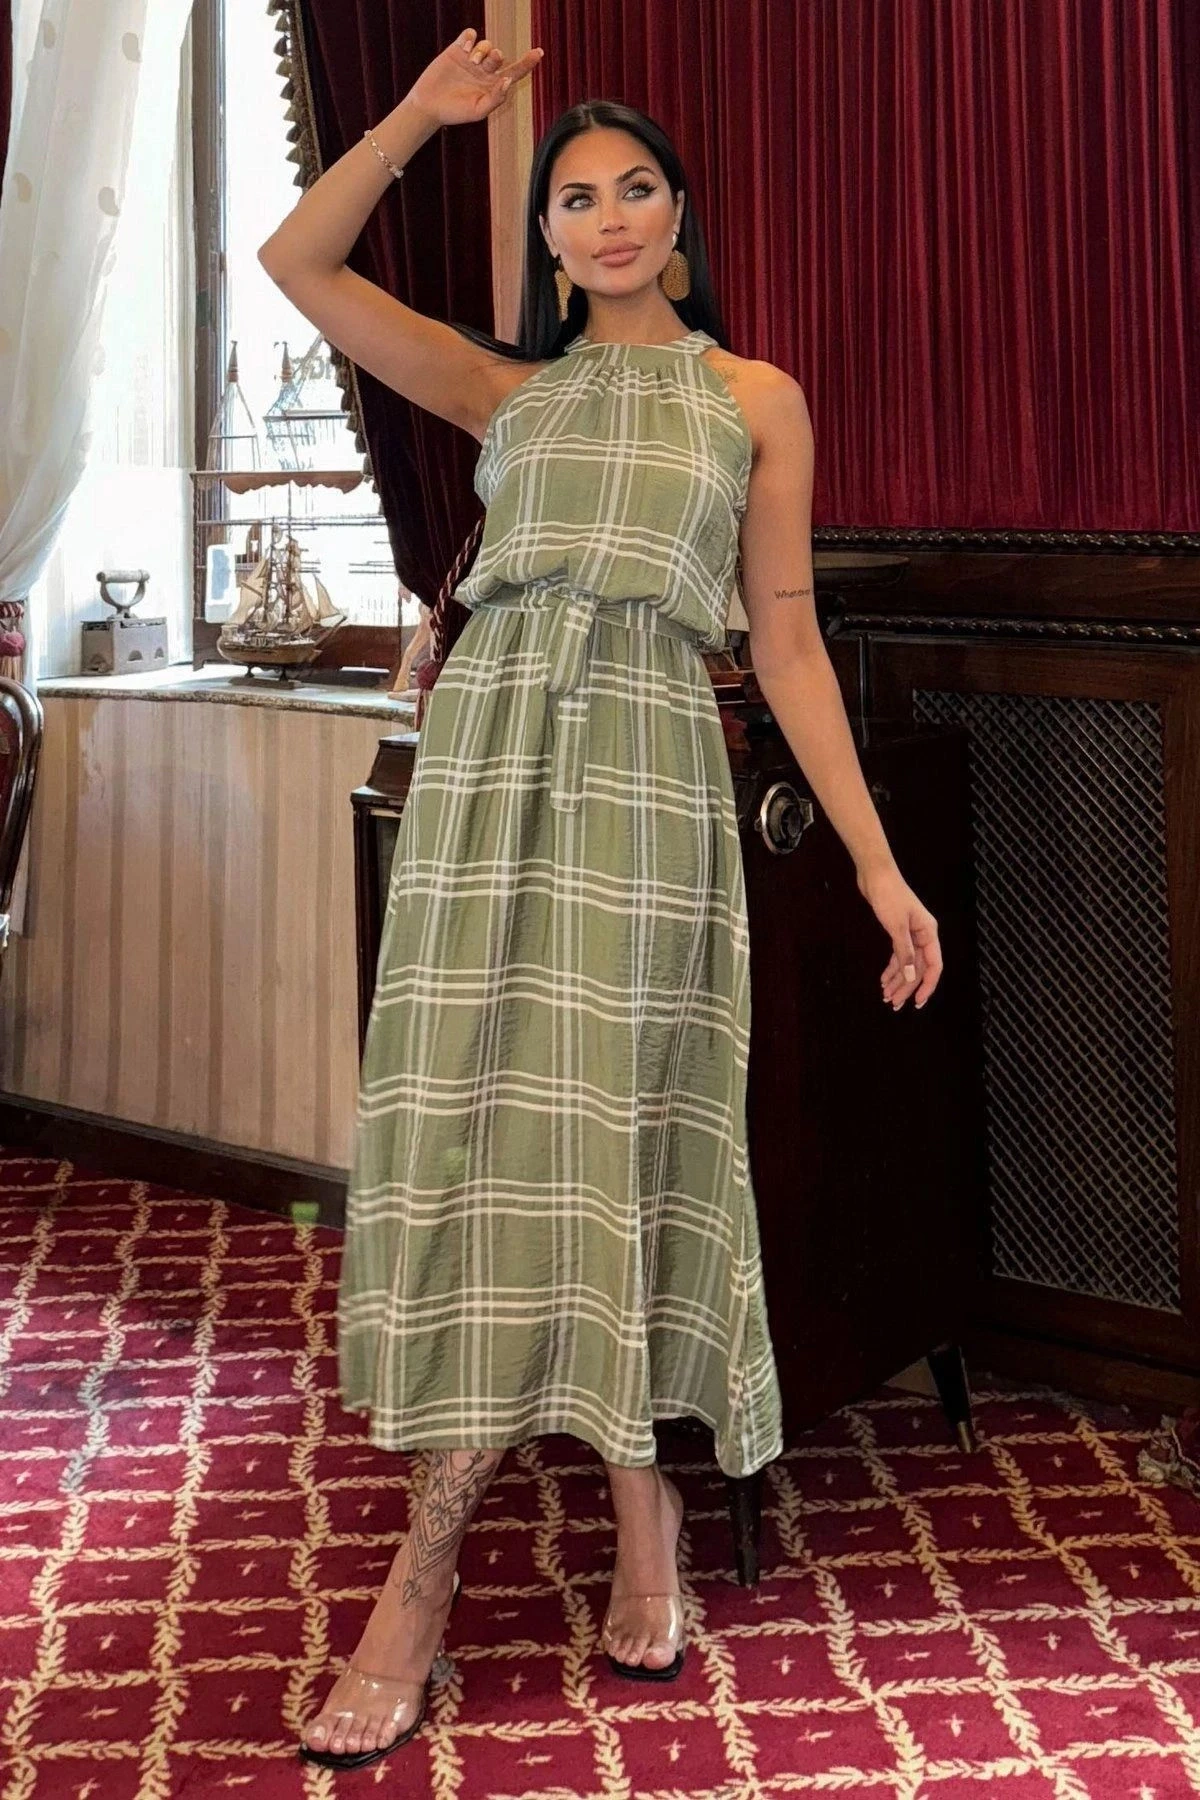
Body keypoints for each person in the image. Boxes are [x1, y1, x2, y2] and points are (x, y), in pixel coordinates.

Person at [259, 25, 943, 1774]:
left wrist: (877, 862)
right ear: (550, 240)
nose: (611, 214)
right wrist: (420, 115)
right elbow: (297, 263)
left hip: (646, 782)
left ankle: (619, 1505)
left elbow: (785, 639)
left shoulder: (754, 398)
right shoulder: (507, 392)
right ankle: (456, 1555)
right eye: (577, 198)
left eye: (638, 188)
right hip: (483, 781)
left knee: (615, 1131)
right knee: (472, 1141)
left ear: (678, 220)